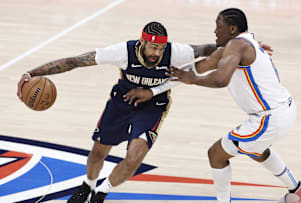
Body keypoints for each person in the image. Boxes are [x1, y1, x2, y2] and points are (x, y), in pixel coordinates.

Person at [125, 8, 301, 203]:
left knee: (216, 154)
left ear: (232, 29)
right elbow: (201, 66)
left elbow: (220, 80)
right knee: (256, 150)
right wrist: (156, 87)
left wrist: (193, 80)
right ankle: (300, 190)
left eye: (219, 27)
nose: (215, 31)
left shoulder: (236, 45)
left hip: (269, 118)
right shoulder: (240, 45)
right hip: (285, 110)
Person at [17, 21, 218, 203]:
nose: (157, 53)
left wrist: (237, 44)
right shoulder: (123, 51)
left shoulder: (176, 52)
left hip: (153, 106)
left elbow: (207, 49)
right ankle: (88, 185)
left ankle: (100, 193)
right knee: (98, 152)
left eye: (161, 48)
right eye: (153, 47)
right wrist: (33, 73)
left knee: (134, 158)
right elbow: (76, 61)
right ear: (142, 43)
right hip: (123, 99)